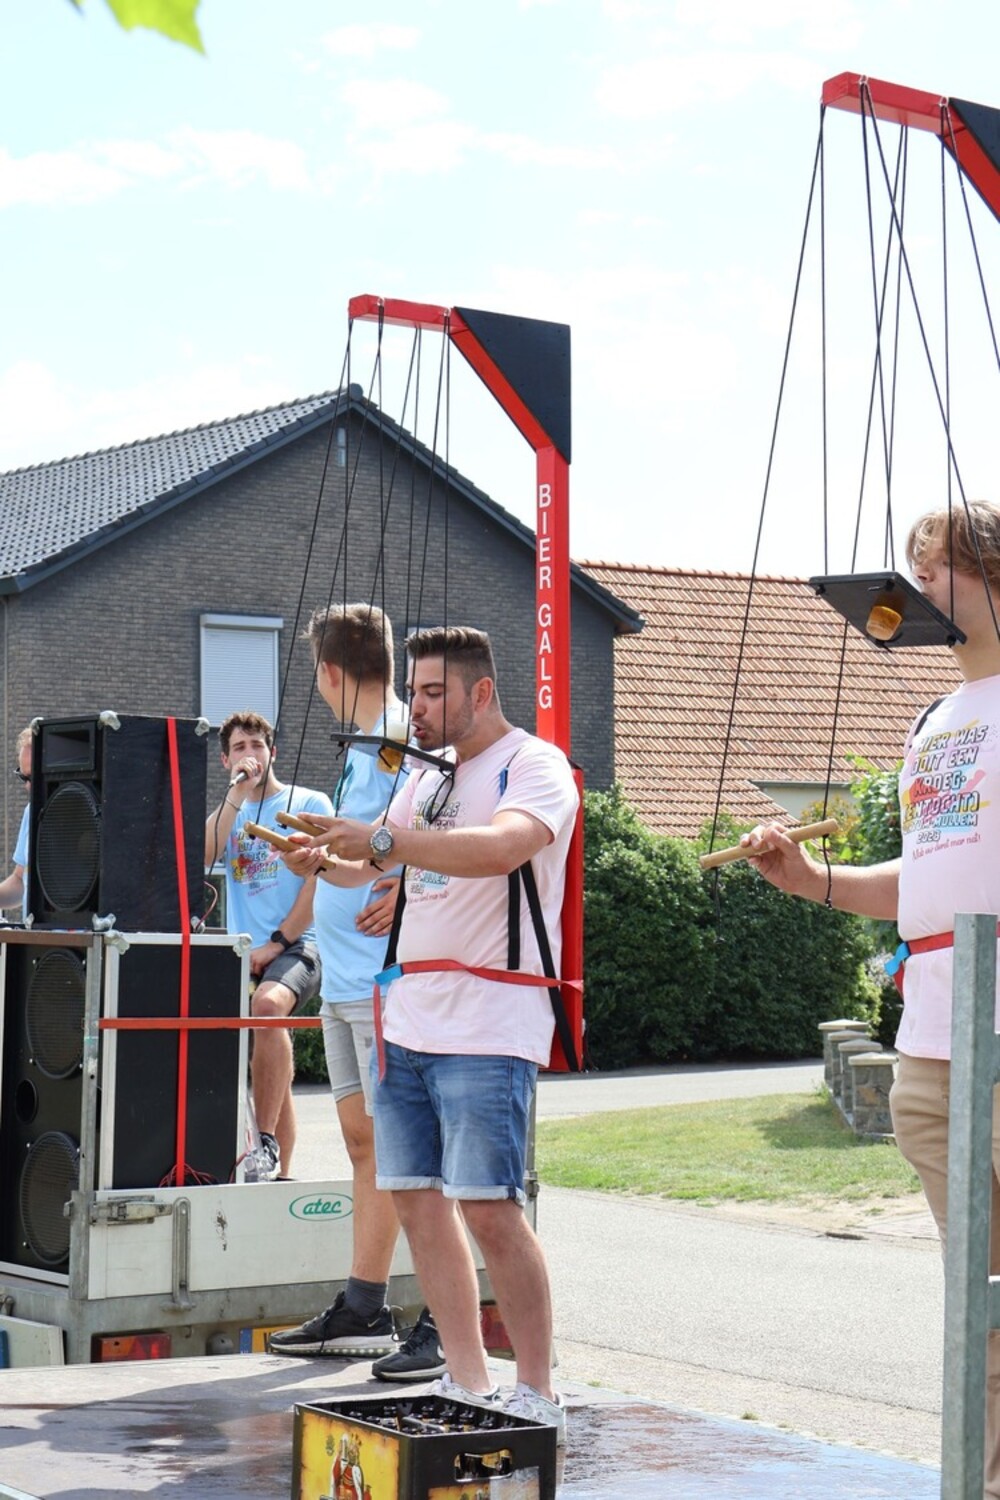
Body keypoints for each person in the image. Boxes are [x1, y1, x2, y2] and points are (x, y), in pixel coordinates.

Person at [741, 500, 1000, 1498]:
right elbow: (926, 874)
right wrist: (812, 881)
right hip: (932, 1045)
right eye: (913, 569)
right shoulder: (932, 721)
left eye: (936, 571)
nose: (914, 589)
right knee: (976, 1305)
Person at [289, 625, 578, 1444]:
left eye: (431, 693)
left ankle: (537, 1390)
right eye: (412, 691)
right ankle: (466, 1378)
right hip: (408, 1015)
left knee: (490, 1209)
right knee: (417, 1202)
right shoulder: (422, 777)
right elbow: (376, 866)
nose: (413, 707)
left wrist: (380, 840)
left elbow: (502, 848)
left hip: (489, 1017)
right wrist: (320, 858)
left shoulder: (533, 764)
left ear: (481, 692)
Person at [270, 604, 443, 1375]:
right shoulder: (360, 748)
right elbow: (363, 859)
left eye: (316, 671)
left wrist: (408, 882)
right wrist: (316, 861)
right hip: (342, 975)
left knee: (409, 1149)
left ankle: (441, 1316)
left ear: (331, 671)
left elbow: (437, 831)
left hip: (383, 978)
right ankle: (364, 1307)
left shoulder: (403, 738)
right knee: (365, 1145)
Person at [204, 710, 330, 1181]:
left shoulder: (308, 802)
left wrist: (279, 942)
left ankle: (264, 1143)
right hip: (244, 951)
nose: (250, 754)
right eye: (239, 747)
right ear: (225, 760)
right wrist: (236, 794)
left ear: (272, 752)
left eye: (257, 745)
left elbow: (321, 882)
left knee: (268, 1007)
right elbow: (201, 855)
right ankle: (281, 1178)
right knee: (272, 1061)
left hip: (300, 944)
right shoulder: (231, 812)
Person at [0, 726, 32, 920]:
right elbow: (21, 879)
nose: (28, 786)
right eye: (23, 777)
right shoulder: (31, 812)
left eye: (33, 777)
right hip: (38, 934)